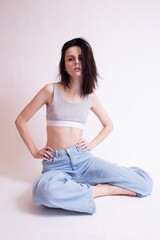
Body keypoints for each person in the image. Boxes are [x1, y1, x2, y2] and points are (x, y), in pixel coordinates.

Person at [15, 37, 153, 214]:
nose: (76, 62)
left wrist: (92, 144)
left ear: (87, 62)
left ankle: (101, 178)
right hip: (56, 165)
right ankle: (102, 190)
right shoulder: (50, 90)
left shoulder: (90, 97)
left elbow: (108, 125)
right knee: (44, 193)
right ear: (64, 65)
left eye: (80, 58)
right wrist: (34, 151)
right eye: (70, 59)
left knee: (144, 184)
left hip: (84, 161)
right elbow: (21, 120)